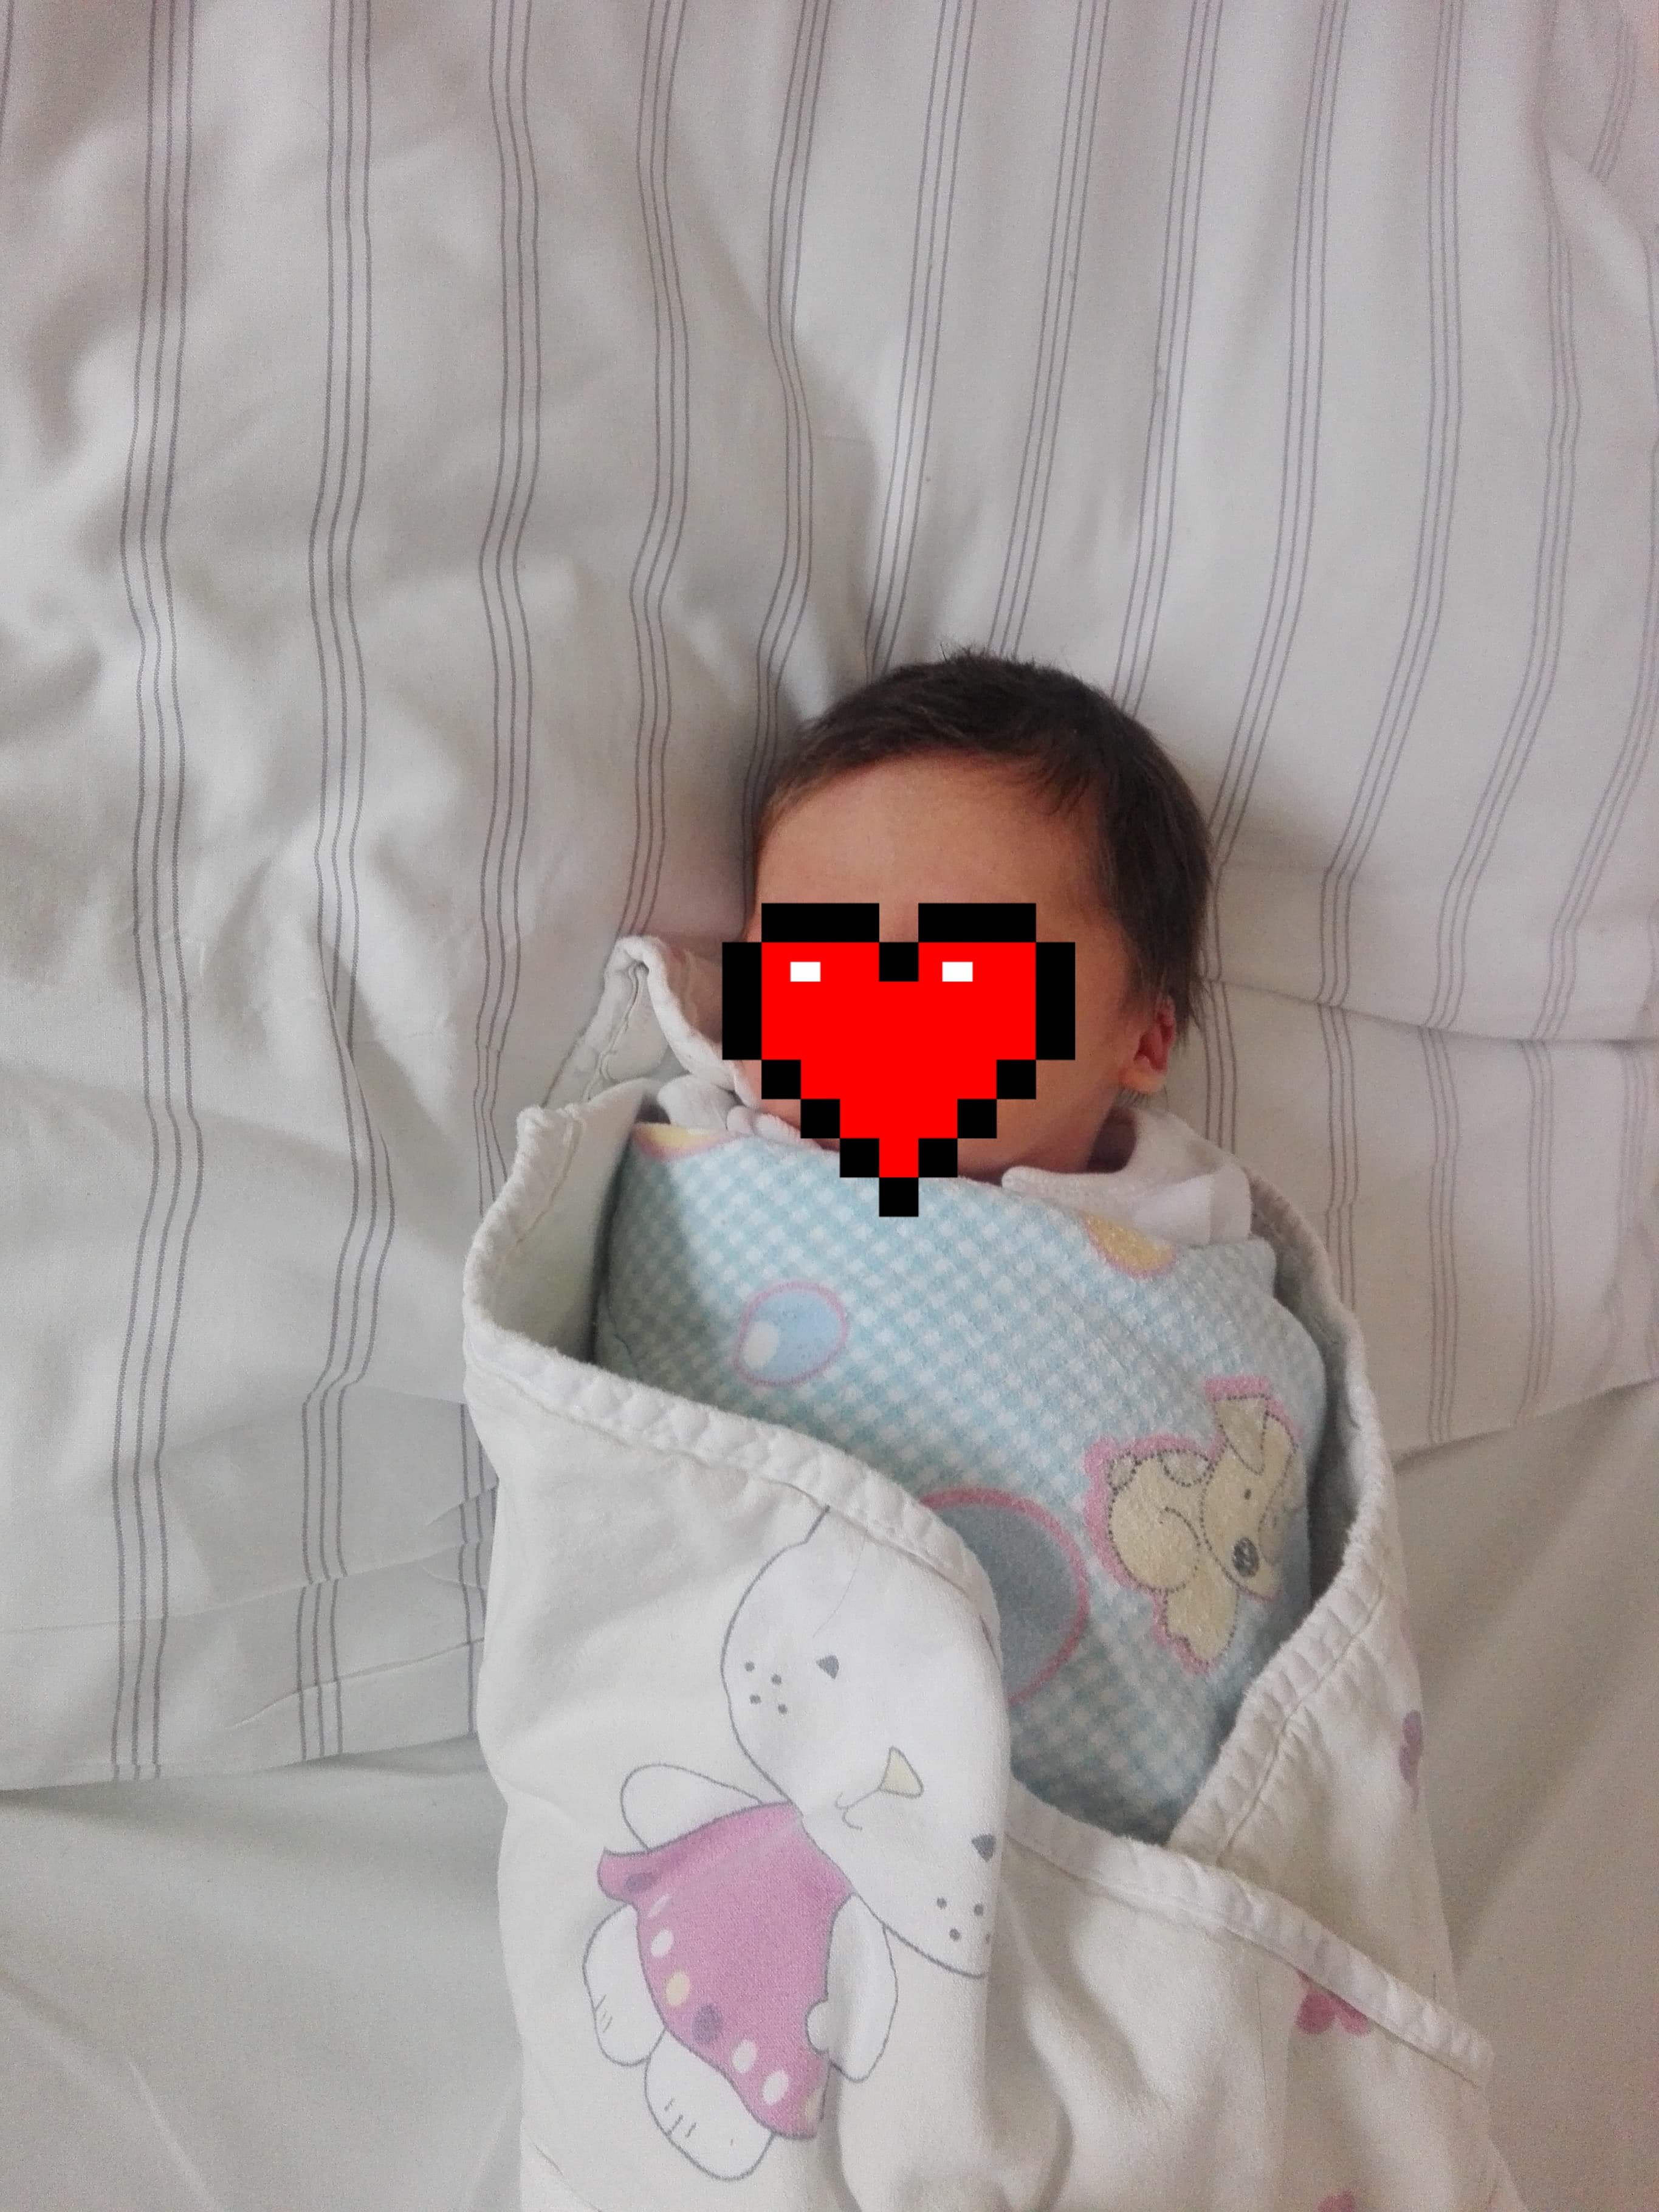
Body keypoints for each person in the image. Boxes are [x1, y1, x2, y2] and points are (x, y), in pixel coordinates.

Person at [591, 648, 1328, 1843]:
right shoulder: (721, 1173)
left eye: (959, 967)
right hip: (738, 1766)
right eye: (815, 965)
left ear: (1144, 1038)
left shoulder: (1191, 1249)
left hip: (1099, 1824)